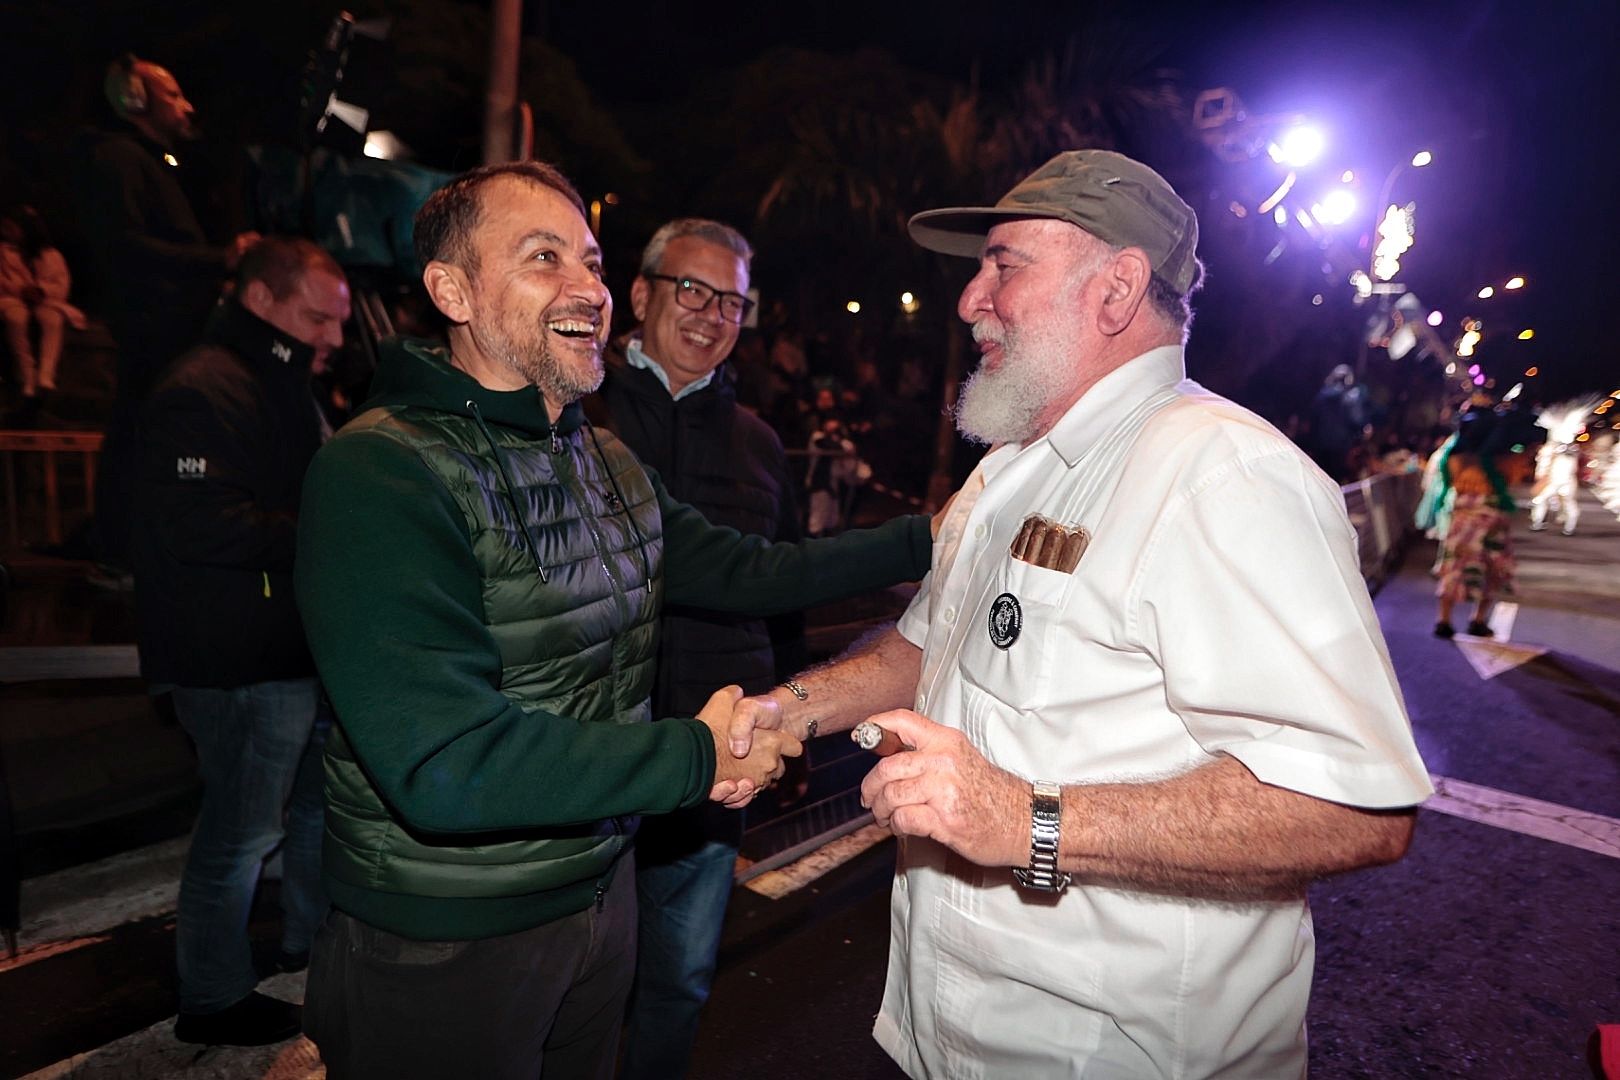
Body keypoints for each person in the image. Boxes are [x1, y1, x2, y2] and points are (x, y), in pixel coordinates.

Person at [730, 150, 1433, 1078]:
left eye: (1004, 264)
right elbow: (926, 646)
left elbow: (1352, 805)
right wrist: (788, 713)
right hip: (950, 1033)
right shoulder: (1006, 469)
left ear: (1117, 289)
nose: (970, 299)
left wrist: (1030, 821)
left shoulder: (1225, 476)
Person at [292, 161, 934, 1080]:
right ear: (452, 290)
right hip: (447, 941)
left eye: (590, 260)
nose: (587, 288)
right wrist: (699, 755)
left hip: (599, 898)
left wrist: (932, 538)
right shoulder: (383, 472)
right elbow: (443, 762)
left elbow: (750, 569)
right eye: (543, 257)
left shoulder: (601, 456)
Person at [582, 217, 805, 1080]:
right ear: (639, 295)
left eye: (734, 302)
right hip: (592, 757)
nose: (713, 315)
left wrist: (787, 723)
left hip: (719, 760)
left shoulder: (759, 443)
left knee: (678, 976)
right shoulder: (577, 409)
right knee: (575, 980)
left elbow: (778, 596)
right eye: (693, 290)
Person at [132, 236, 349, 1045]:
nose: (331, 336)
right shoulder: (205, 388)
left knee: (309, 809)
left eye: (337, 321)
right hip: (236, 658)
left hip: (283, 646)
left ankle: (307, 941)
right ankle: (214, 997)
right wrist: (327, 530)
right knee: (240, 830)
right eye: (317, 317)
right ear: (261, 300)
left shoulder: (276, 381)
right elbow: (196, 523)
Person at [74, 54, 260, 568]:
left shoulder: (148, 161)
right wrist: (218, 258)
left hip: (167, 325)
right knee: (139, 433)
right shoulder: (118, 158)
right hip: (153, 326)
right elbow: (126, 245)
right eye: (173, 94)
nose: (187, 105)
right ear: (134, 98)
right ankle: (119, 548)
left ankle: (127, 547)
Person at [1431, 403, 1532, 638]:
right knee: (1491, 573)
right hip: (1492, 528)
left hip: (1460, 526)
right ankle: (1477, 620)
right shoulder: (1504, 462)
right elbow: (1517, 478)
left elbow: (1447, 480)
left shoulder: (1456, 461)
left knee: (1453, 571)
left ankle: (1443, 621)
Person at [0, 206, 86, 417]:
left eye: (11, 227)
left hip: (45, 301)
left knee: (52, 321)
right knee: (15, 319)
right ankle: (26, 374)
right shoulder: (3, 253)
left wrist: (41, 291)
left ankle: (45, 375)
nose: (6, 231)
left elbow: (62, 283)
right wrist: (21, 289)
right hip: (11, 299)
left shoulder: (51, 255)